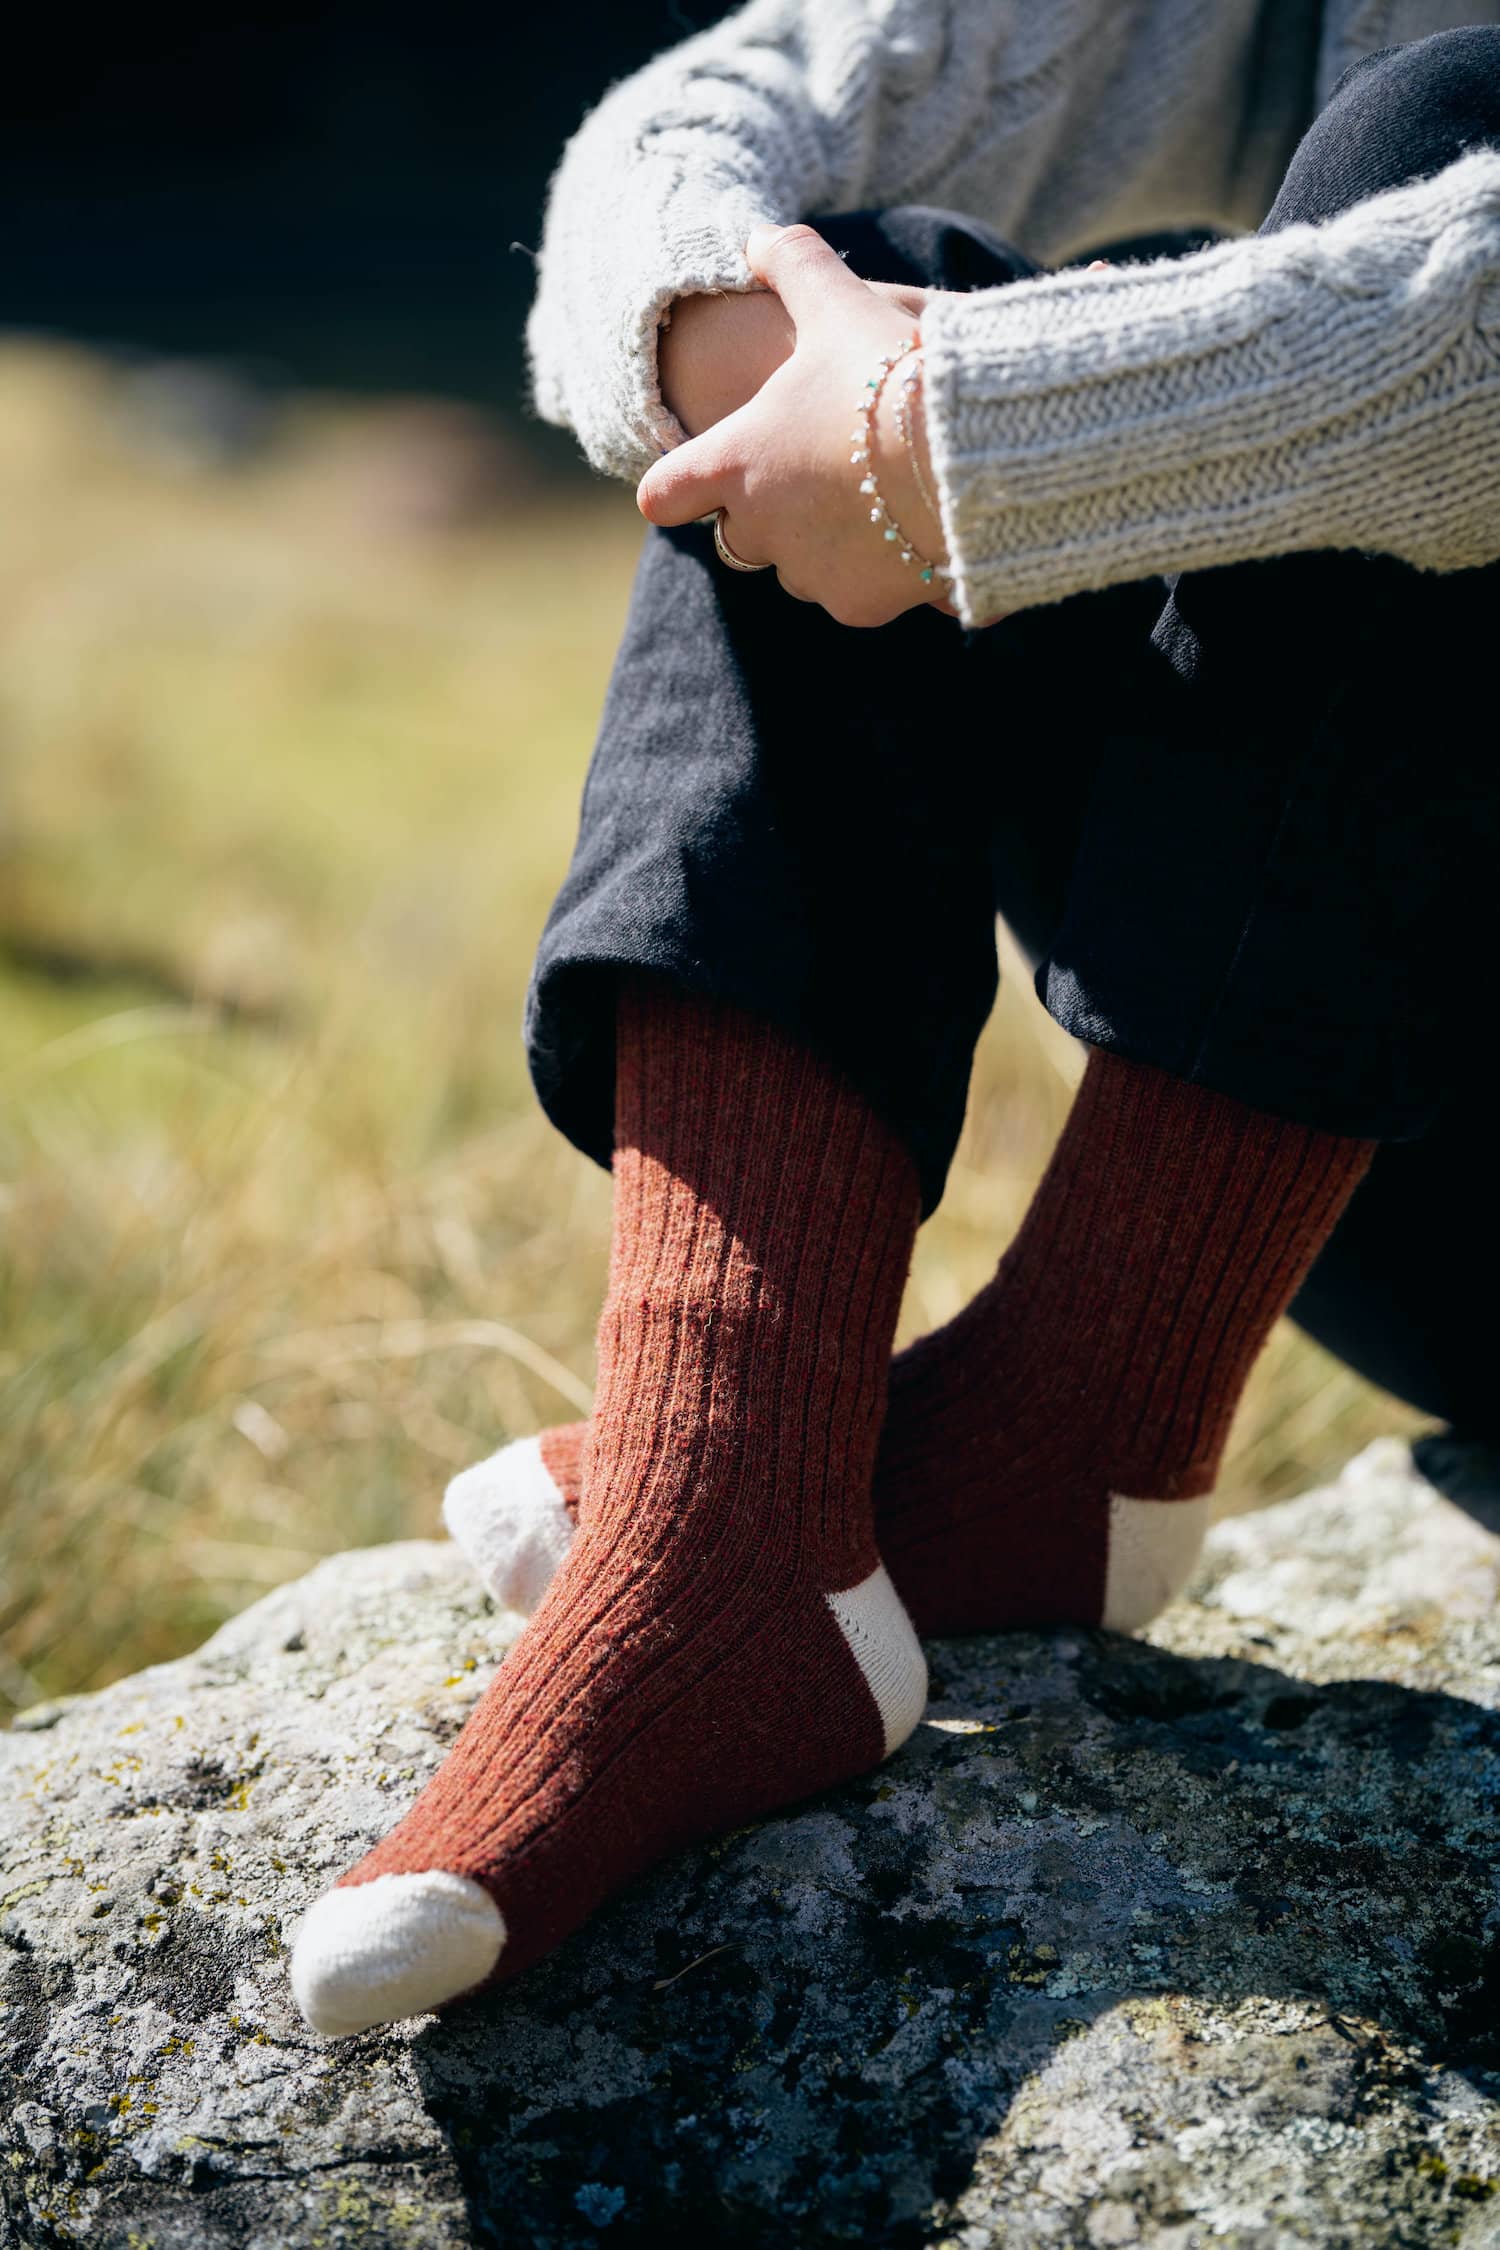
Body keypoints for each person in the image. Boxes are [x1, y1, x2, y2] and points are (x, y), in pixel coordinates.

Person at [289, 3, 1500, 2037]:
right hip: (1408, 1105)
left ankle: (1015, 1446)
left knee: (1452, 133)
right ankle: (733, 1487)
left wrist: (947, 432)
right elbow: (743, 103)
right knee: (869, 268)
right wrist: (756, 349)